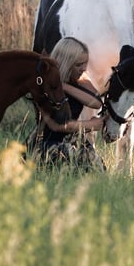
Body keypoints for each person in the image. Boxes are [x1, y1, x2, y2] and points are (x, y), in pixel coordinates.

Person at [33, 36, 106, 172]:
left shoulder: (77, 79)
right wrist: (91, 125)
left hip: (70, 139)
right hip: (48, 143)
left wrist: (65, 86)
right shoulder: (47, 87)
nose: (83, 69)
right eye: (78, 65)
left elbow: (96, 103)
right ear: (66, 62)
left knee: (99, 171)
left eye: (85, 63)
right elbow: (58, 126)